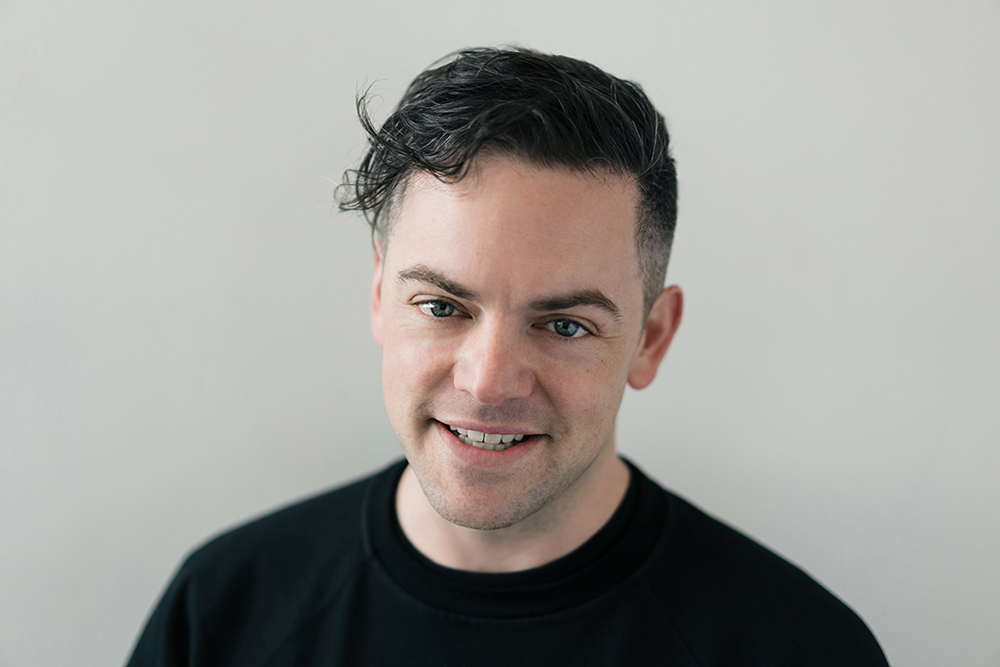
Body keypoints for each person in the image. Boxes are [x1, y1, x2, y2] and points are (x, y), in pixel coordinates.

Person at [126, 47, 889, 666]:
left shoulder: (800, 648)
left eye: (563, 325)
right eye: (442, 307)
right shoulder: (223, 613)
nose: (487, 382)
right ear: (379, 296)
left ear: (651, 337)